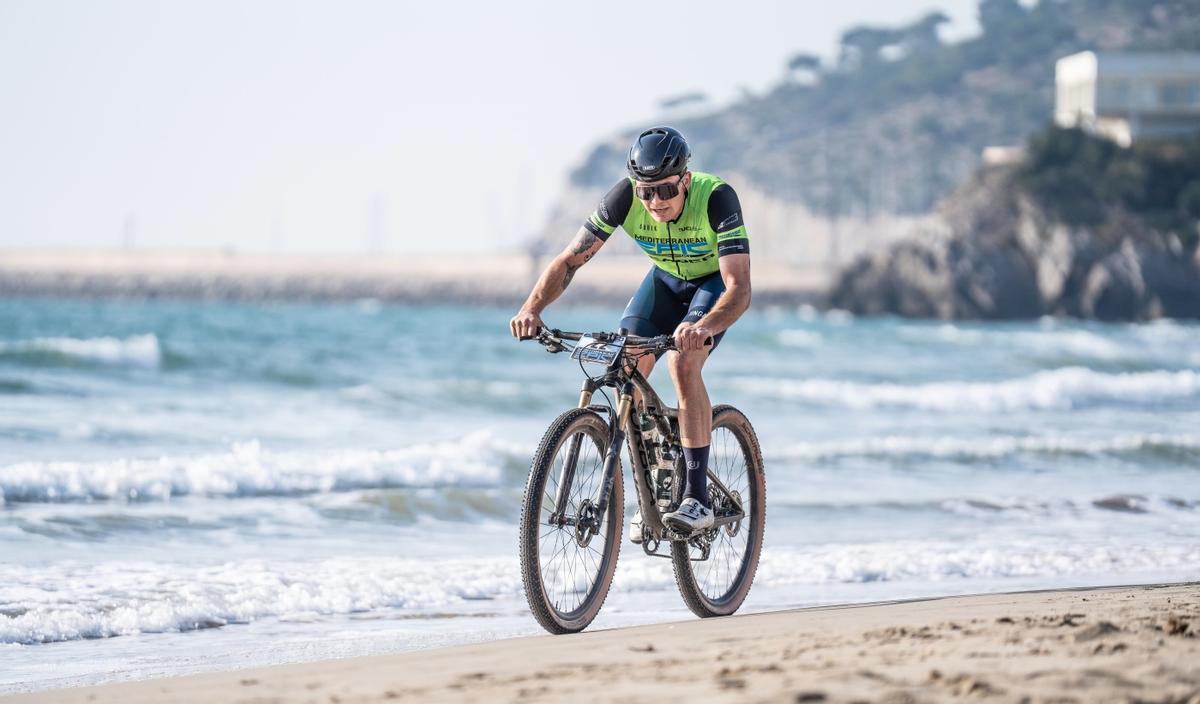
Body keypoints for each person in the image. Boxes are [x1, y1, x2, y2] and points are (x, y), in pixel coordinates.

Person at [509, 125, 751, 537]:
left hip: (712, 284)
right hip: (665, 282)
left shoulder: (716, 198)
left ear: (685, 181)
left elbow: (739, 289)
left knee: (683, 363)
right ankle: (658, 488)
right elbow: (569, 261)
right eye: (646, 191)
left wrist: (702, 328)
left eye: (666, 191)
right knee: (625, 362)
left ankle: (696, 497)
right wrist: (532, 309)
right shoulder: (622, 199)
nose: (655, 201)